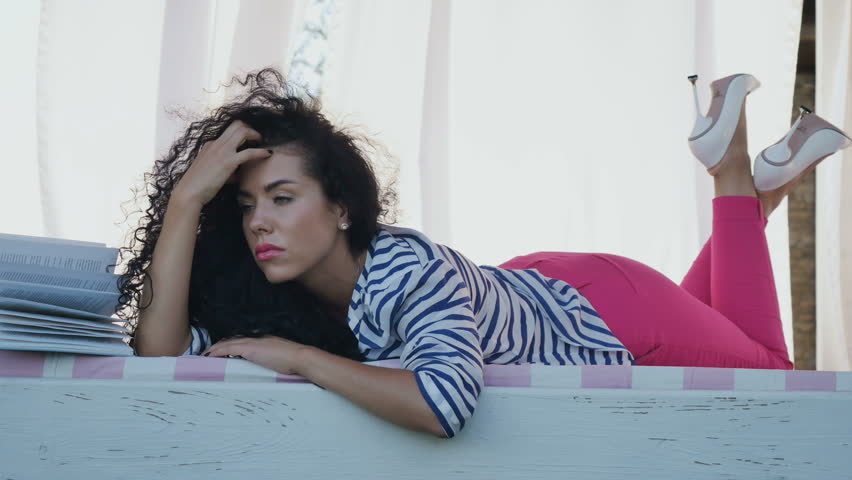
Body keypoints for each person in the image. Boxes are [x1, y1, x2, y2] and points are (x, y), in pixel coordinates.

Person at [121, 68, 851, 439]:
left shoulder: (400, 265)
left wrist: (300, 359)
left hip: (611, 318)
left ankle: (731, 175)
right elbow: (158, 356)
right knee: (714, 321)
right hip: (553, 292)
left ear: (341, 207)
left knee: (772, 382)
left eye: (283, 198)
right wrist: (187, 200)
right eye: (245, 206)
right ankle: (762, 188)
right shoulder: (285, 297)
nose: (259, 224)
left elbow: (444, 405)